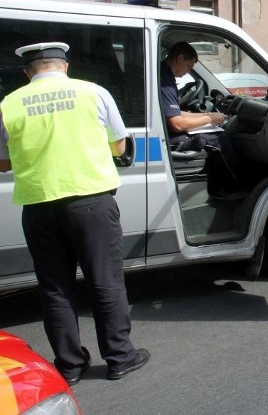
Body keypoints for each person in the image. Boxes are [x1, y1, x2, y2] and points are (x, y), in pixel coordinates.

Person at [0, 42, 149, 384]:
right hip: (91, 203)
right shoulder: (93, 93)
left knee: (55, 288)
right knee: (105, 282)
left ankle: (69, 365)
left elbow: (3, 161)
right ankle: (119, 357)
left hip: (38, 207)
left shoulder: (8, 104)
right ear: (65, 66)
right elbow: (119, 145)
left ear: (28, 72)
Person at [160, 41, 227, 152]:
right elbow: (177, 124)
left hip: (162, 131)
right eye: (189, 66)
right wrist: (209, 119)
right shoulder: (165, 81)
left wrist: (208, 114)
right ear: (180, 58)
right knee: (217, 138)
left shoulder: (164, 72)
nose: (189, 71)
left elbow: (174, 113)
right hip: (162, 138)